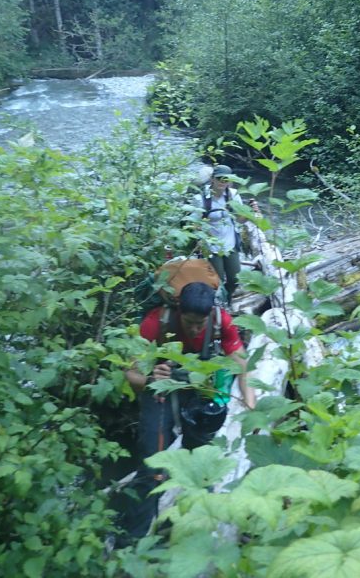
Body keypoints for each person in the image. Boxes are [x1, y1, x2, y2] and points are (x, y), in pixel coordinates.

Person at [121, 280, 255, 540]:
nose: (194, 329)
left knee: (203, 458)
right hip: (159, 391)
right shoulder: (155, 322)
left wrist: (250, 401)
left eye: (199, 324)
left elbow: (241, 363)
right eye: (189, 322)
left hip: (199, 391)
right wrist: (151, 378)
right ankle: (132, 538)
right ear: (179, 311)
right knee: (153, 463)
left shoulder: (220, 321)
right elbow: (131, 375)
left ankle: (200, 525)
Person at [192, 163, 247, 304]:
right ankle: (218, 305)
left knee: (235, 278)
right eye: (220, 178)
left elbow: (240, 220)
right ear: (212, 179)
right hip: (211, 245)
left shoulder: (233, 195)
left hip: (230, 243)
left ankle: (227, 300)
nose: (223, 182)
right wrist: (200, 241)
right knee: (218, 280)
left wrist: (251, 214)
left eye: (226, 179)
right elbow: (194, 223)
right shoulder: (201, 199)